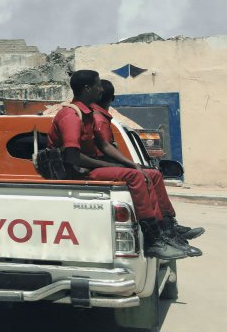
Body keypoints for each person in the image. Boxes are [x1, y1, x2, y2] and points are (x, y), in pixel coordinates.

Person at [49, 70, 186, 260]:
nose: (100, 89)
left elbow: (104, 145)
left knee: (148, 173)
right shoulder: (71, 116)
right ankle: (153, 240)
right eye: (97, 85)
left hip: (90, 168)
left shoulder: (87, 114)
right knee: (134, 176)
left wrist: (131, 163)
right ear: (87, 88)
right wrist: (105, 165)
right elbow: (72, 157)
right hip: (78, 173)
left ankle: (168, 229)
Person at [91, 79, 202, 254]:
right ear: (110, 98)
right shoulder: (99, 119)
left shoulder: (100, 118)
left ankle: (168, 226)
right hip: (98, 168)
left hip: (102, 165)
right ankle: (158, 234)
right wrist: (132, 165)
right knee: (142, 175)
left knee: (154, 174)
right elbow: (104, 148)